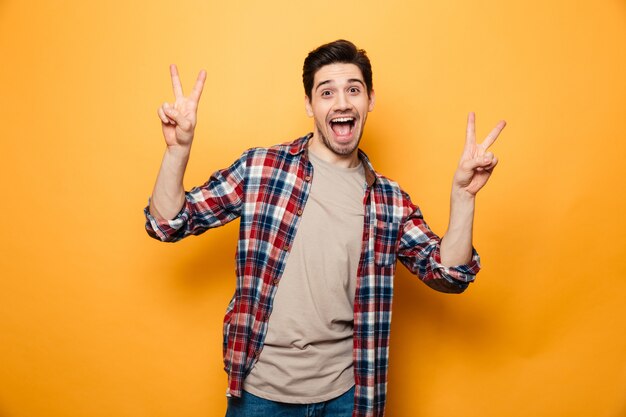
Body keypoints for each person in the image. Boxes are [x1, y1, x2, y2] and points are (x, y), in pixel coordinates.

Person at [144, 39, 506, 417]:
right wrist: (177, 152)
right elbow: (168, 223)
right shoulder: (261, 170)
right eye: (327, 92)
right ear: (309, 104)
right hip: (260, 396)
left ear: (369, 101)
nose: (342, 102)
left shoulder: (388, 200)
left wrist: (464, 197)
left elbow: (447, 274)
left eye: (353, 89)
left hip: (347, 397)